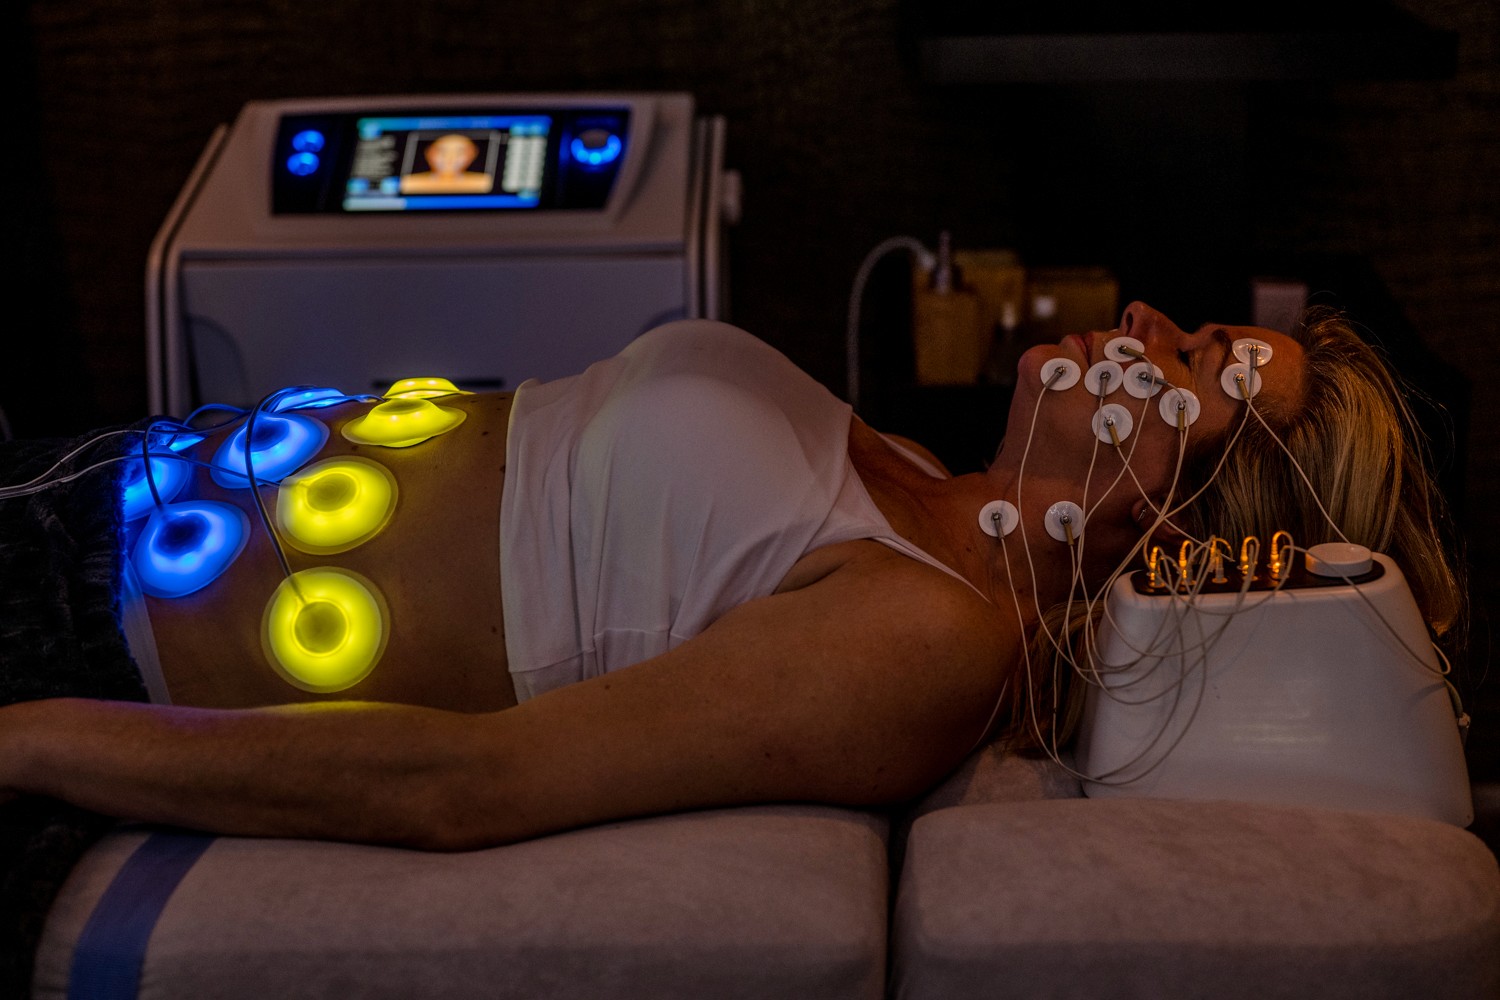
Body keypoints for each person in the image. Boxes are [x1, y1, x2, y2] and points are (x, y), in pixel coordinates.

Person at [0, 302, 1464, 853]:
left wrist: (32, 737)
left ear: (1189, 515)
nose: (1147, 316)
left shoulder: (924, 638)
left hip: (79, 629)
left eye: (1203, 367)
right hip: (98, 486)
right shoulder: (900, 467)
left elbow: (467, 788)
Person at [399, 133, 494, 195]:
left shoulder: (483, 183)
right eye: (442, 151)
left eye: (459, 153)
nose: (450, 158)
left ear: (472, 156)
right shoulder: (409, 183)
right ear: (429, 153)